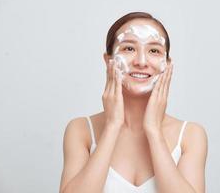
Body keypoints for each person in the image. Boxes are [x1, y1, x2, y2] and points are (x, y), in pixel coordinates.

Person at [59, 12, 208, 193]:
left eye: (154, 50)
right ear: (108, 60)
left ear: (167, 64)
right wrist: (112, 126)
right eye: (129, 48)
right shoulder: (81, 130)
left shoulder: (190, 135)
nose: (141, 62)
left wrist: (153, 131)